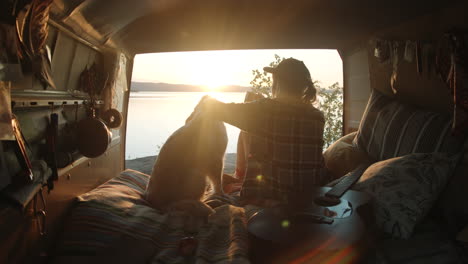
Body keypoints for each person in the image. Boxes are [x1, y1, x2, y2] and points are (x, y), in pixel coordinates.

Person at [197, 58, 329, 206]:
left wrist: (206, 99)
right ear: (303, 87)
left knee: (213, 201)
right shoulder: (317, 116)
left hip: (268, 200)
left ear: (277, 82)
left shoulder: (265, 109)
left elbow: (215, 109)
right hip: (307, 198)